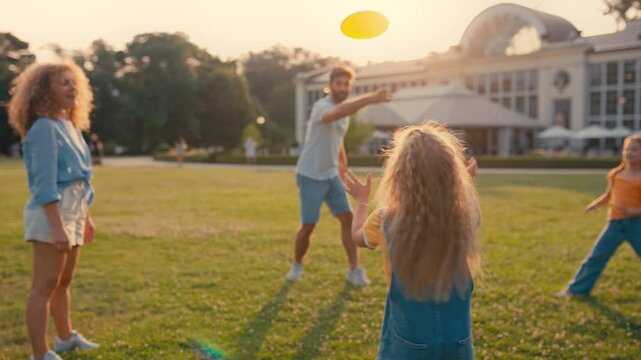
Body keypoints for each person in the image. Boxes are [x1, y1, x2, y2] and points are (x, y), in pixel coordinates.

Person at [344, 123, 481, 359]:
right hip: (458, 343)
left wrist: (361, 201)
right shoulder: (462, 216)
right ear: (452, 175)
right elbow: (465, 209)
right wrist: (464, 183)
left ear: (398, 175)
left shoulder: (386, 219)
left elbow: (357, 237)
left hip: (408, 343)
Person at [8, 62, 100, 360]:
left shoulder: (70, 126)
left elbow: (82, 180)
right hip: (52, 213)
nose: (72, 88)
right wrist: (58, 226)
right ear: (45, 91)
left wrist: (86, 218)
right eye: (63, 83)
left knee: (63, 281)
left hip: (73, 213)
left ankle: (64, 338)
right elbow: (44, 183)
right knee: (44, 285)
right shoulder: (44, 128)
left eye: (74, 83)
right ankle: (40, 353)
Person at [286, 65, 392, 286]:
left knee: (348, 219)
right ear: (331, 85)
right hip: (310, 175)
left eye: (346, 84)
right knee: (309, 226)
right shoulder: (320, 106)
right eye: (338, 83)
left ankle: (354, 270)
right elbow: (334, 115)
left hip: (331, 175)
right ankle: (297, 265)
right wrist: (370, 99)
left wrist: (343, 166)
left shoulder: (345, 112)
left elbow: (337, 140)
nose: (342, 87)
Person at [556, 134, 641, 297]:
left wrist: (632, 212)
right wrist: (595, 204)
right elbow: (609, 195)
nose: (629, 153)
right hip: (614, 224)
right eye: (626, 149)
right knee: (595, 257)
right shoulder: (615, 174)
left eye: (634, 150)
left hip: (636, 224)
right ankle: (576, 290)